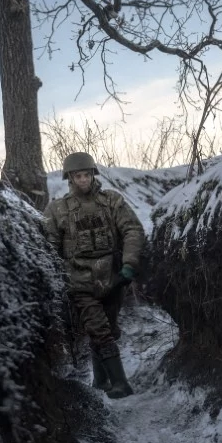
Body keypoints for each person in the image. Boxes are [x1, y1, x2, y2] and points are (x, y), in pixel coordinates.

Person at [42, 152, 145, 399]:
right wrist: (57, 281)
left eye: (87, 174)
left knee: (108, 329)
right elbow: (50, 247)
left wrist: (129, 265)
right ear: (70, 178)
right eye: (78, 176)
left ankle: (101, 380)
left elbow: (133, 230)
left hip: (112, 279)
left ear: (93, 174)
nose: (83, 180)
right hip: (79, 282)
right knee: (99, 330)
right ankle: (121, 383)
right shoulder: (58, 209)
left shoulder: (111, 201)